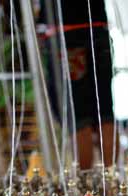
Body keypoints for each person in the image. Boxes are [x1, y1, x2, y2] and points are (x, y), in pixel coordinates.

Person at [39, 0, 116, 169]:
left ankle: (85, 181)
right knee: (104, 111)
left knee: (78, 116)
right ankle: (113, 179)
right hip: (98, 30)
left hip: (67, 35)